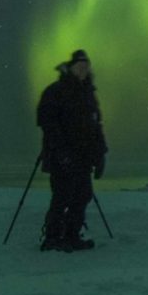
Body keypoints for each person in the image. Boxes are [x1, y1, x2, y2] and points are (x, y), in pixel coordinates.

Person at [36, 49, 108, 252]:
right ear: (71, 68)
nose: (83, 70)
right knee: (62, 196)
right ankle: (52, 238)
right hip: (63, 157)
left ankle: (72, 235)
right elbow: (48, 125)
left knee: (83, 195)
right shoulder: (55, 92)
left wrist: (100, 154)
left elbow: (96, 126)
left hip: (84, 157)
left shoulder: (88, 95)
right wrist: (60, 152)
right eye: (79, 66)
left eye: (86, 67)